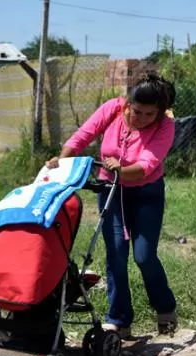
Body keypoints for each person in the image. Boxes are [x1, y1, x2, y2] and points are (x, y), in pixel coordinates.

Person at [46, 72, 178, 338]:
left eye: (148, 115)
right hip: (110, 191)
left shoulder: (166, 125)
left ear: (160, 113)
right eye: (136, 111)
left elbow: (146, 166)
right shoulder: (113, 108)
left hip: (147, 193)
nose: (140, 119)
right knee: (116, 254)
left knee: (144, 255)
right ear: (127, 102)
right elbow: (82, 136)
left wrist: (123, 169)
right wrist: (62, 161)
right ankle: (119, 320)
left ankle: (165, 309)